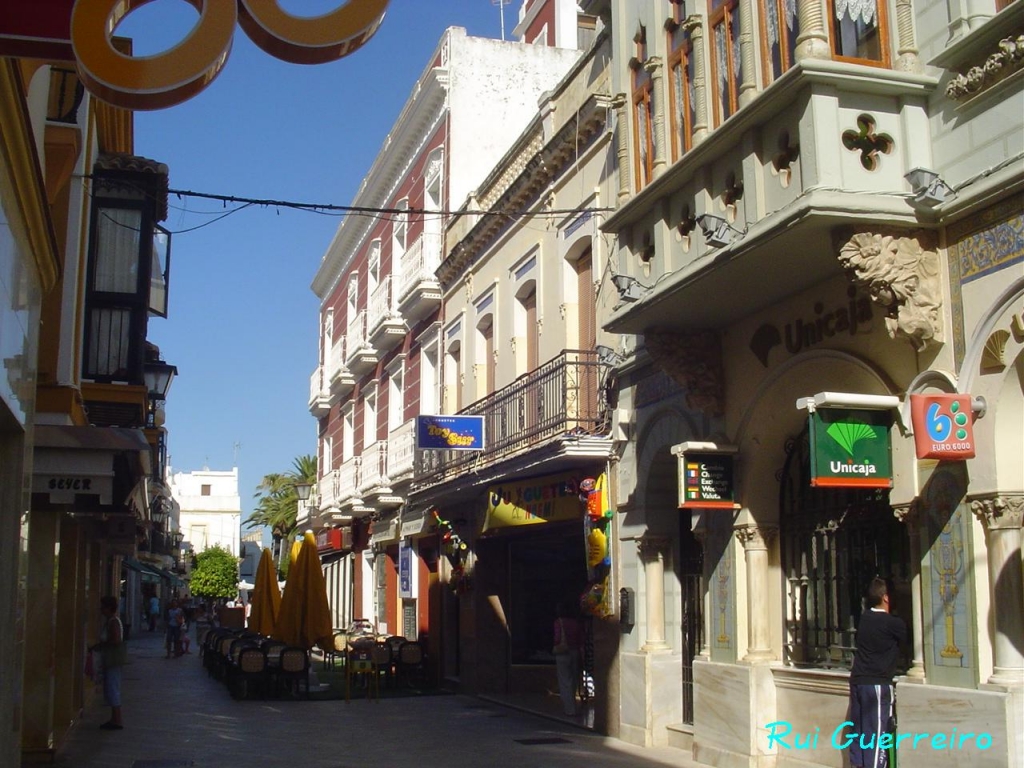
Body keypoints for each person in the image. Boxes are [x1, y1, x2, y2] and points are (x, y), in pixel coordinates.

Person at [848, 577, 907, 768]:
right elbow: (907, 637)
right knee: (877, 733)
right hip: (877, 685)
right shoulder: (893, 623)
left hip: (858, 681)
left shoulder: (864, 618)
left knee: (859, 732)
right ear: (886, 597)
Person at [89, 595, 126, 730]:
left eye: (103, 607)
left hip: (113, 660)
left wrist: (103, 644)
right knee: (111, 688)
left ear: (109, 608)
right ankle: (114, 718)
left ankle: (117, 720)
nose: (101, 610)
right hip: (111, 660)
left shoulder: (113, 622)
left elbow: (116, 640)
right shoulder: (111, 621)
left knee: (113, 688)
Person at [552, 601, 584, 716]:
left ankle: (569, 709)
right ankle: (574, 705)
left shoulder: (558, 622)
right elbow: (581, 639)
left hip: (562, 653)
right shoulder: (576, 623)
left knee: (564, 680)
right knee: (574, 679)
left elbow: (557, 638)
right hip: (575, 652)